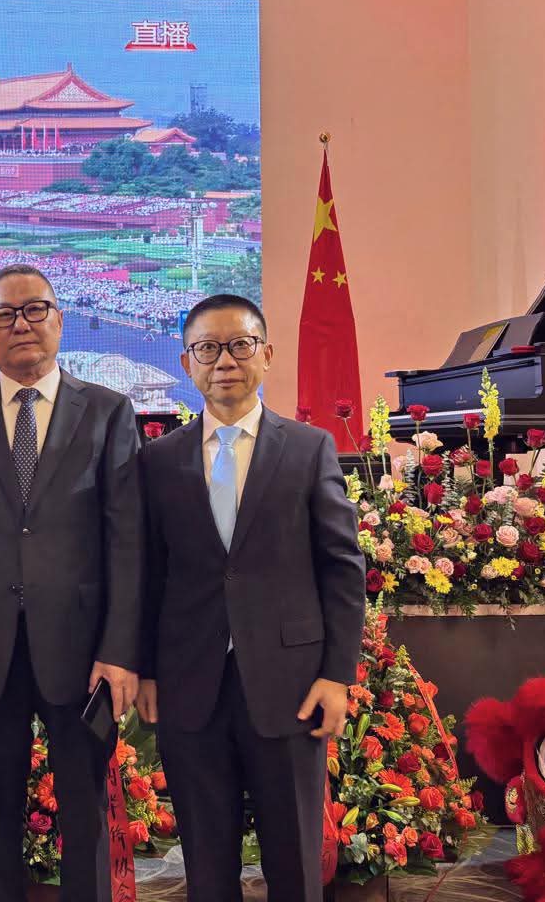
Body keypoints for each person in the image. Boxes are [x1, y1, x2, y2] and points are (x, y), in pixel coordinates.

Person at [0, 263, 143, 902]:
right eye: (5, 314)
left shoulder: (107, 411)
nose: (21, 324)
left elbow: (127, 544)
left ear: (59, 320)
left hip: (82, 653)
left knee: (86, 814)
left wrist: (120, 651)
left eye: (35, 309)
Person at [136, 294, 366, 902]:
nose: (225, 361)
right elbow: (148, 575)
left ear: (266, 354)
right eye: (208, 349)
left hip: (290, 685)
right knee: (207, 868)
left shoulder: (308, 448)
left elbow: (342, 567)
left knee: (294, 861)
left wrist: (337, 676)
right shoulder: (157, 461)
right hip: (190, 685)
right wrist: (149, 672)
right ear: (188, 363)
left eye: (239, 345)